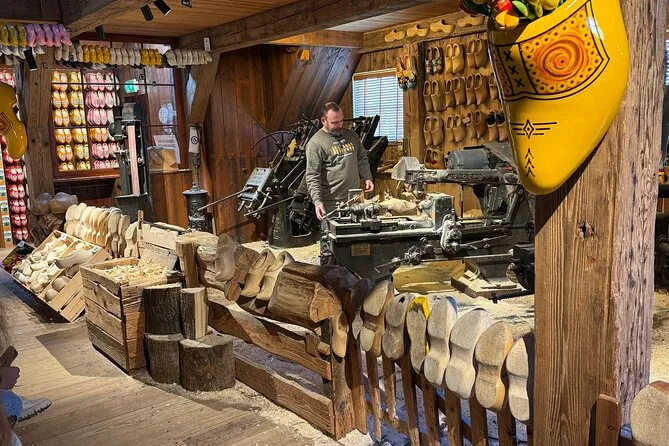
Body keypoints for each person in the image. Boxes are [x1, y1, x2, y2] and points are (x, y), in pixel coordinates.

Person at [305, 102, 374, 221]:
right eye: (334, 122)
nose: (339, 125)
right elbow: (312, 176)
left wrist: (367, 177)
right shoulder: (315, 144)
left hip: (354, 199)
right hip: (331, 204)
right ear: (323, 121)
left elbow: (362, 158)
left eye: (341, 121)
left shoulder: (352, 136)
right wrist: (317, 201)